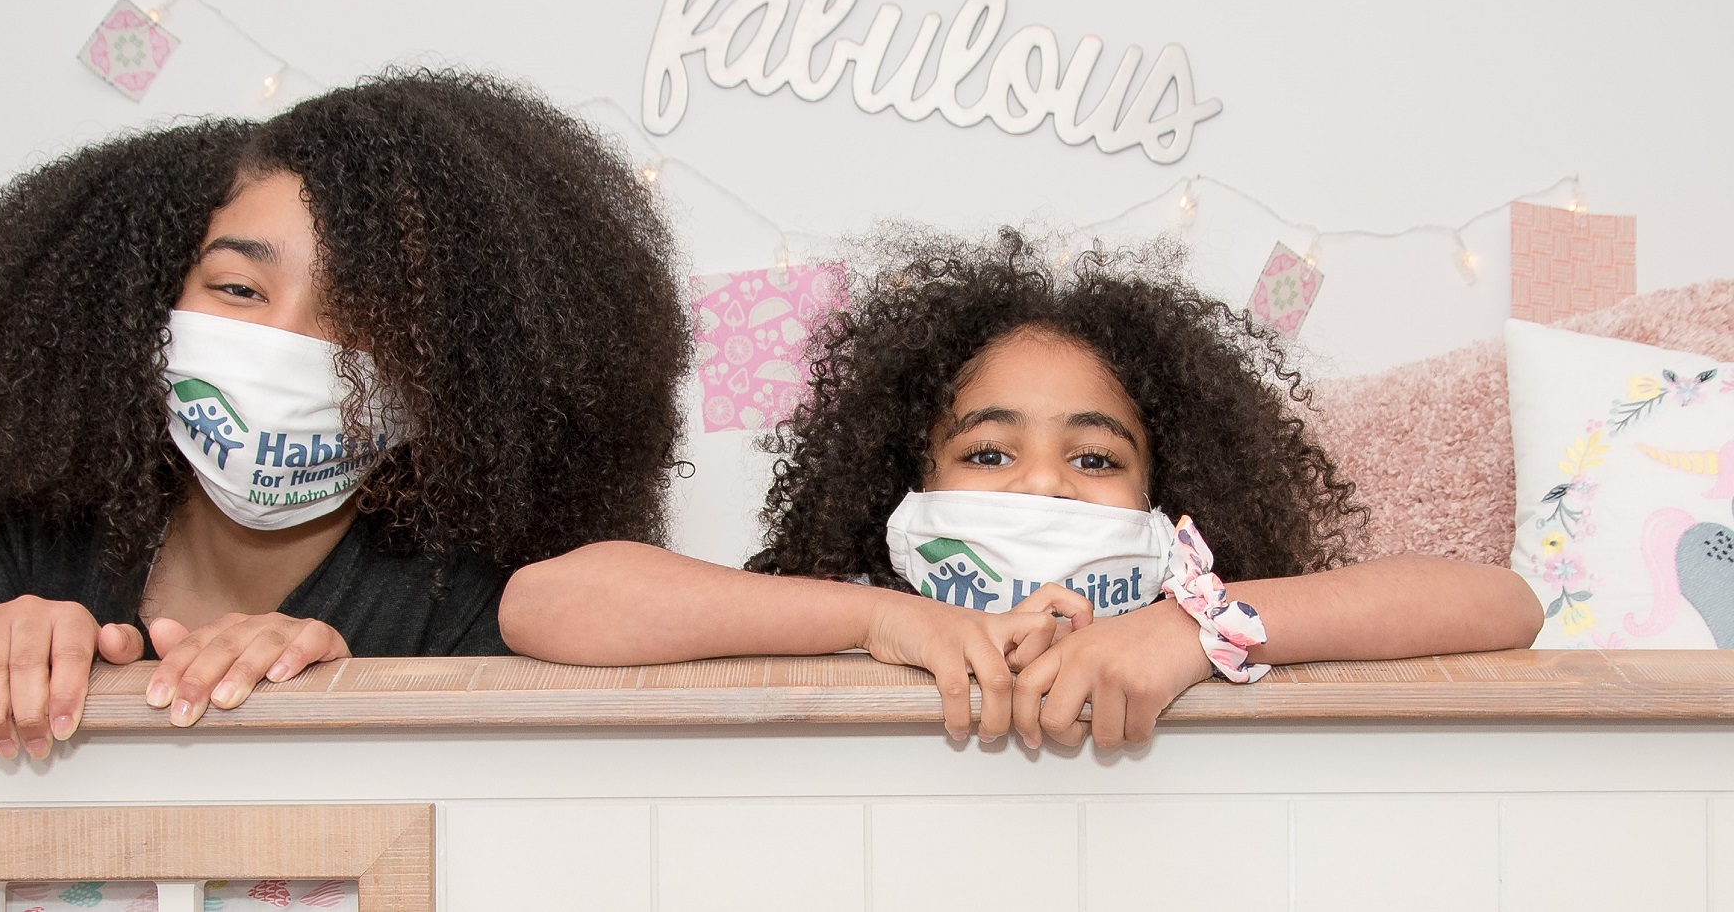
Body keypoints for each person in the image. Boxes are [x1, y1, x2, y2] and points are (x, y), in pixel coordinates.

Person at [499, 229, 1542, 749]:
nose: (1042, 482)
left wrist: (1188, 634)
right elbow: (544, 603)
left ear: (1160, 496)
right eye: (990, 454)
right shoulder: (852, 600)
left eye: (1095, 458)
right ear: (913, 479)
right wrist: (878, 622)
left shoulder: (1211, 616)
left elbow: (1502, 603)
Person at [0, 69, 689, 760]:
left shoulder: (476, 589)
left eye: (364, 314)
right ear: (145, 296)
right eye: (238, 288)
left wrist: (339, 705)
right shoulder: (26, 518)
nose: (284, 343)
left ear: (458, 362)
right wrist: (7, 674)